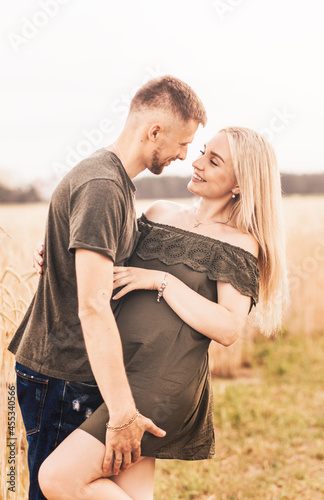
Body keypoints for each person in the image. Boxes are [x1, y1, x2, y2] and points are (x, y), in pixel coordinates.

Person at [36, 127, 289, 500]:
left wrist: (162, 280)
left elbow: (228, 327)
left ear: (240, 184)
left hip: (162, 381)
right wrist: (62, 256)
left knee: (58, 478)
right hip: (121, 372)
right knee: (131, 492)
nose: (196, 162)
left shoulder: (239, 243)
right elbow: (108, 264)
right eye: (202, 151)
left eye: (213, 161)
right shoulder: (159, 213)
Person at [8, 75, 207, 500]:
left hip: (74, 372)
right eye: (183, 142)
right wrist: (121, 413)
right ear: (154, 131)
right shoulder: (103, 187)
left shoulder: (112, 182)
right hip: (61, 374)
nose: (184, 155)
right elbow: (93, 308)